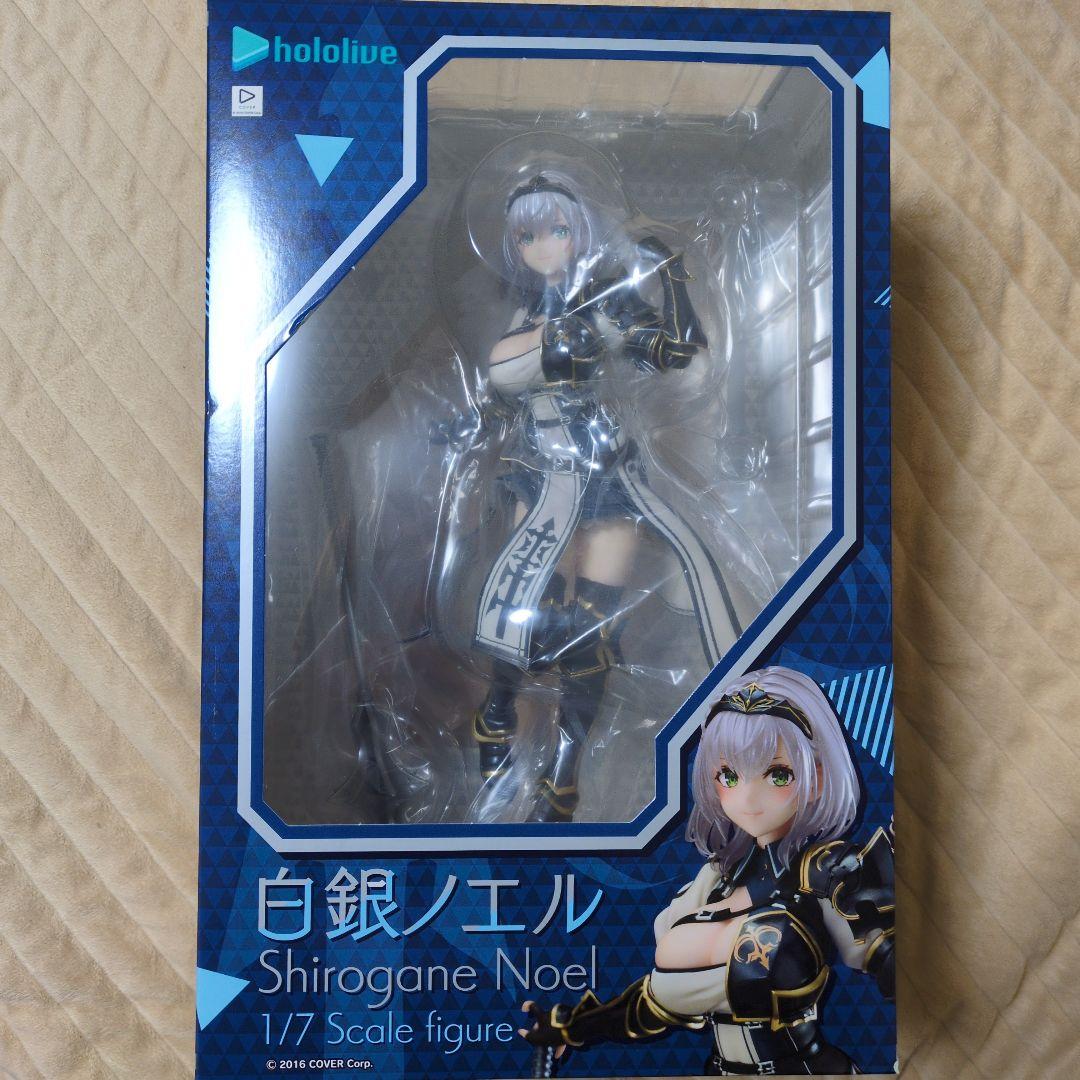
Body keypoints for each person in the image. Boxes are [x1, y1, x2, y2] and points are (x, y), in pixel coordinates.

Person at [449, 169, 751, 823]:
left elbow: (679, 357)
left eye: (557, 230)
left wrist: (672, 281)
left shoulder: (607, 303)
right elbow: (501, 388)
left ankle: (566, 768)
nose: (544, 246)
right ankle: (496, 712)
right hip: (540, 472)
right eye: (528, 236)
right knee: (523, 607)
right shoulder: (520, 314)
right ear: (514, 246)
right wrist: (473, 421)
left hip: (608, 473)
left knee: (594, 627)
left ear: (578, 234)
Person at [519, 666, 895, 1074]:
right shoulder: (715, 881)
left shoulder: (825, 874)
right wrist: (573, 1028)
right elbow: (652, 1004)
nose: (748, 798)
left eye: (777, 774)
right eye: (729, 776)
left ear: (817, 776)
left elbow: (900, 968)